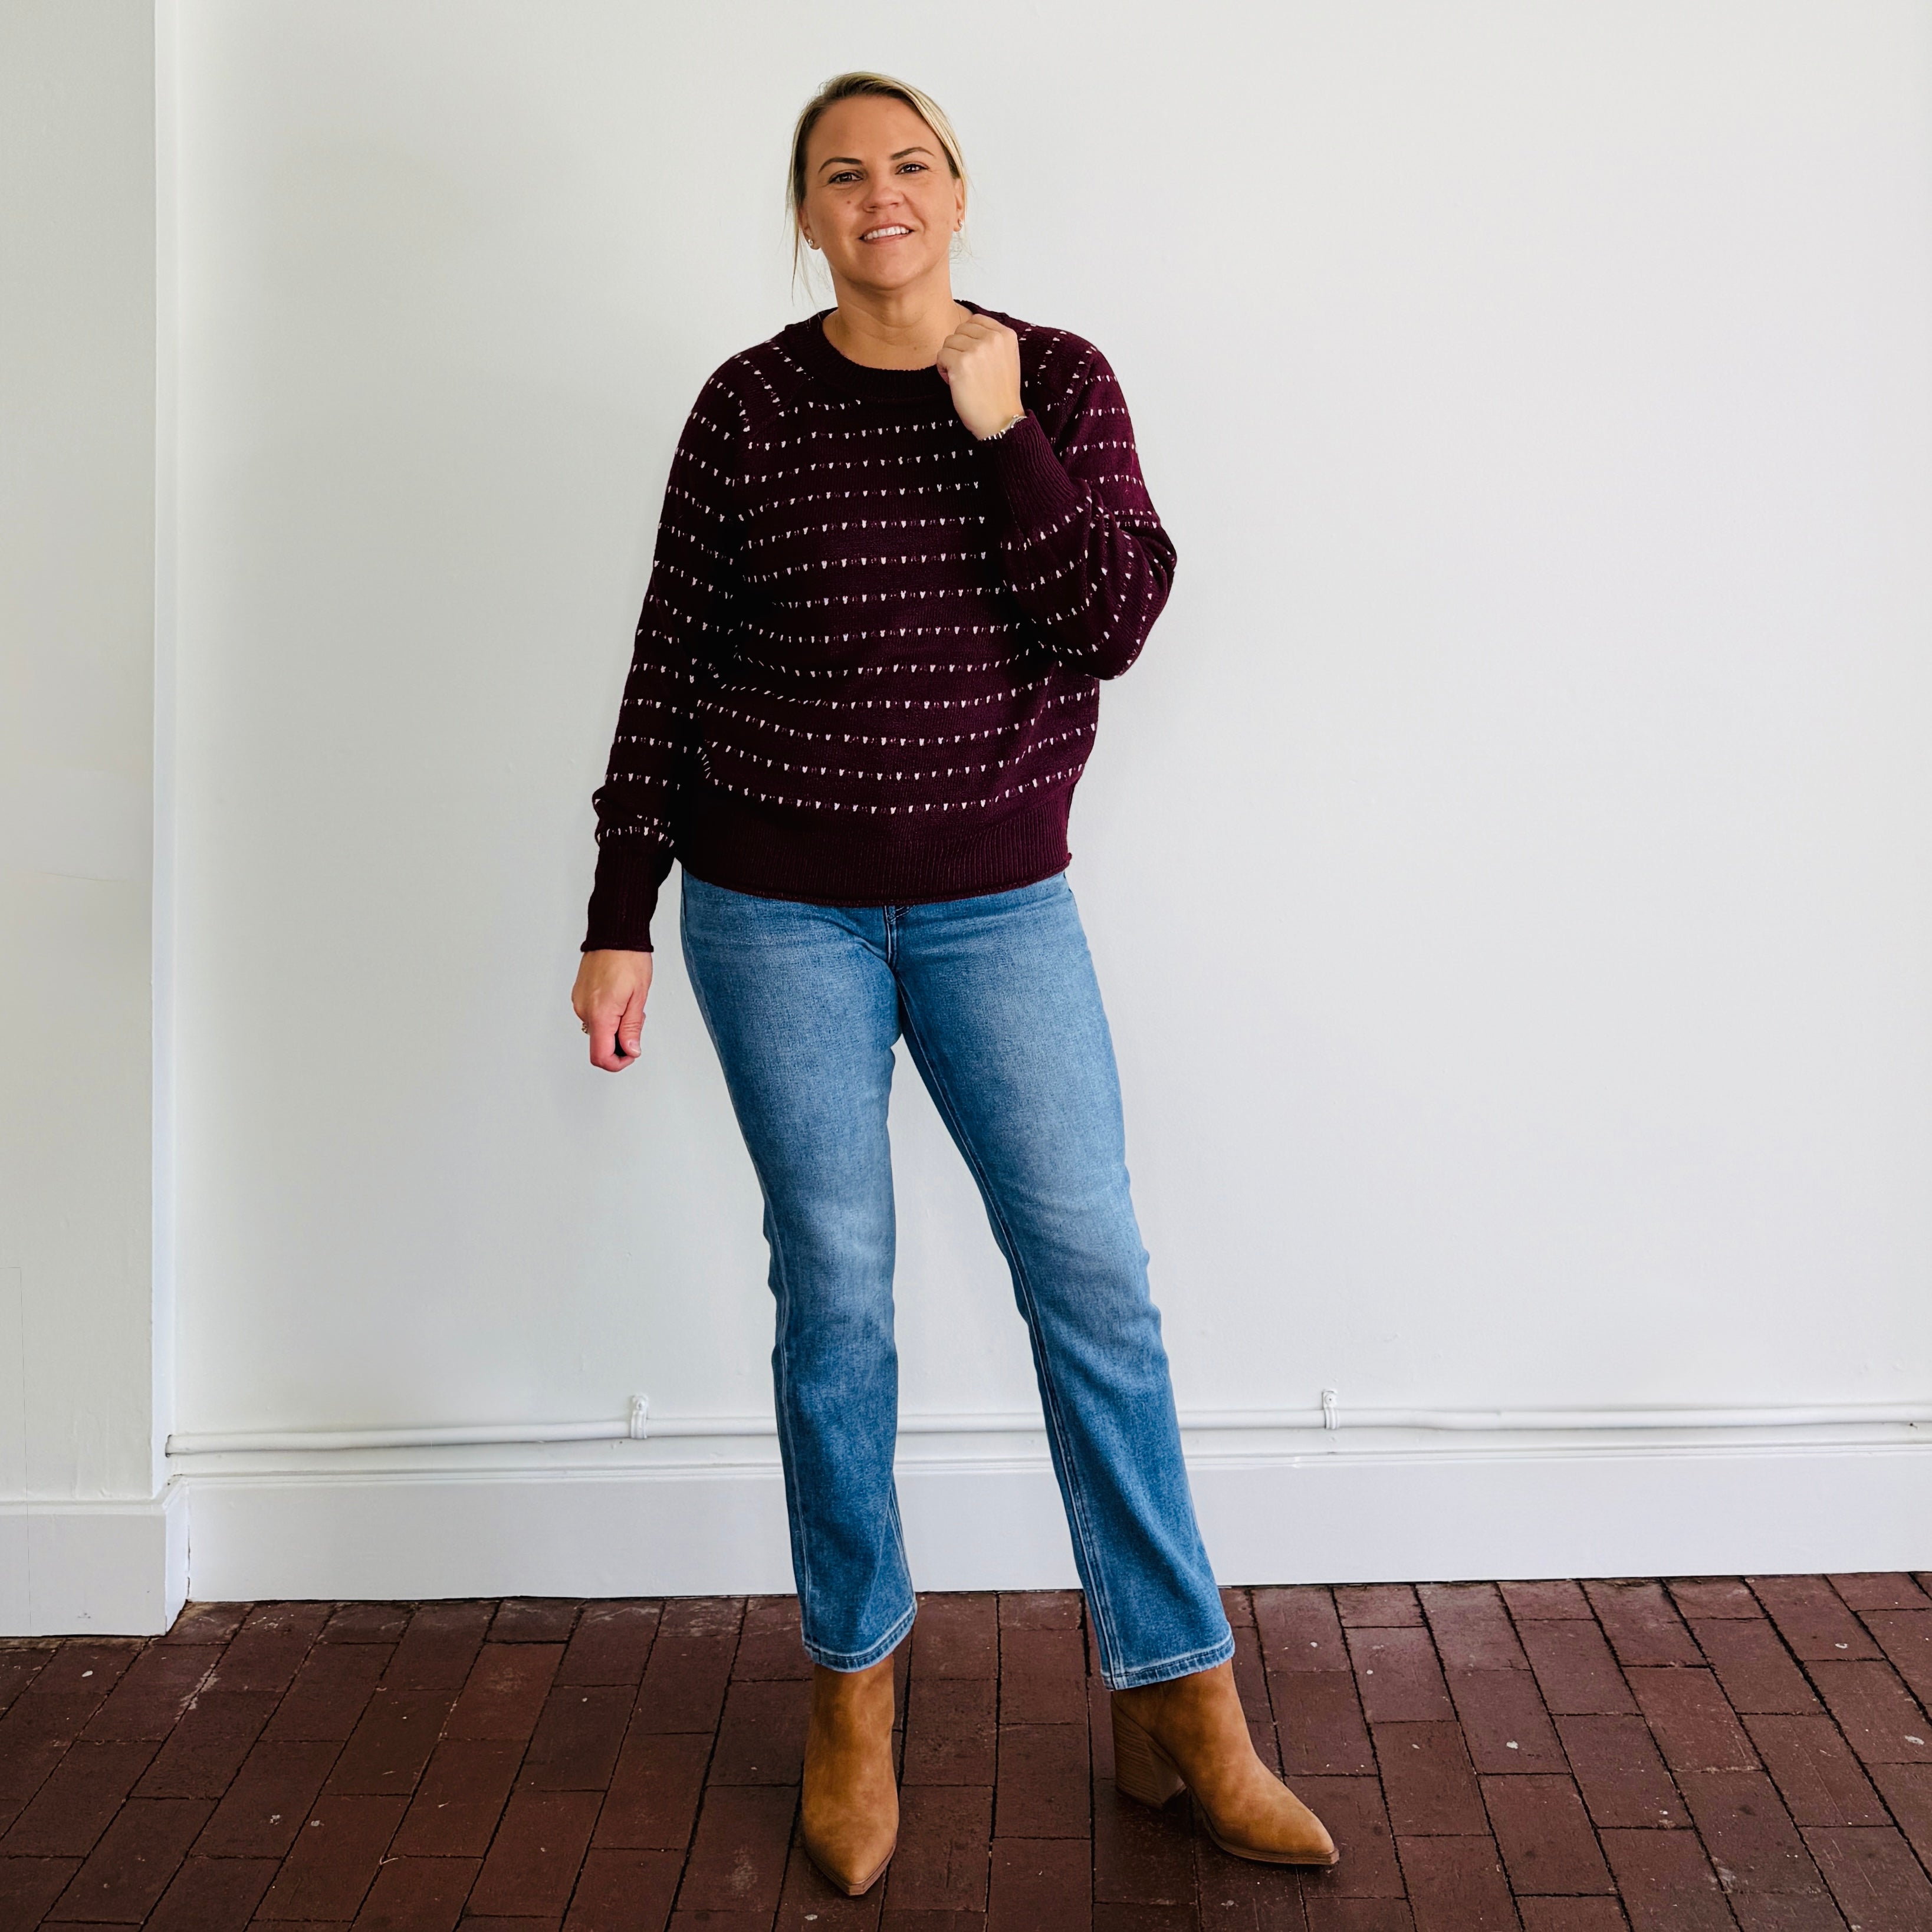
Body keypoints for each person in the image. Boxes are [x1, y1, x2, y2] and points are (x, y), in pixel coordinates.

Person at [570, 70, 1339, 1897]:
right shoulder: (747, 407)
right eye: (841, 173)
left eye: (908, 163)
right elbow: (669, 656)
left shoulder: (1053, 378)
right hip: (775, 911)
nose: (880, 194)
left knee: (1096, 1284)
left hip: (999, 909)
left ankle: (1181, 1699)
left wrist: (998, 432)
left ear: (958, 189)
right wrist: (619, 909)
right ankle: (853, 1694)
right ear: (804, 214)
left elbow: (1114, 622)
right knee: (836, 1296)